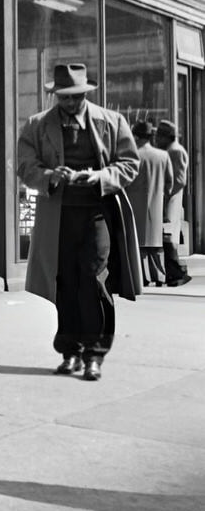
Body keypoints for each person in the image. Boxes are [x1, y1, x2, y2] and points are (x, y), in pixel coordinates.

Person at [18, 62, 141, 381]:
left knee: (94, 279)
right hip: (57, 218)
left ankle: (95, 353)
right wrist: (49, 176)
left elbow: (129, 164)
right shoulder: (36, 125)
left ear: (86, 92)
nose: (71, 103)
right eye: (64, 98)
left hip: (97, 214)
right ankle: (70, 350)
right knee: (65, 282)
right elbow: (25, 166)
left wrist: (99, 177)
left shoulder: (112, 122)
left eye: (76, 97)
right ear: (56, 95)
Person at [128, 120, 171, 286]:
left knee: (139, 244)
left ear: (137, 137)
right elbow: (170, 182)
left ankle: (143, 276)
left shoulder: (133, 156)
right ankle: (159, 276)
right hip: (157, 204)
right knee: (156, 243)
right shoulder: (163, 156)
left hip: (135, 204)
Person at [154, 120, 193, 285]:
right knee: (168, 236)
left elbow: (178, 179)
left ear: (166, 137)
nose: (156, 140)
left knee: (168, 236)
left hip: (170, 200)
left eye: (159, 136)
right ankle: (174, 271)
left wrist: (165, 193)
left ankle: (175, 272)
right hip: (170, 200)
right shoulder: (172, 150)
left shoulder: (174, 151)